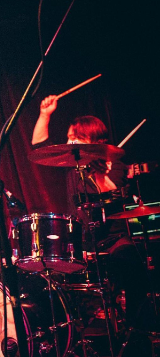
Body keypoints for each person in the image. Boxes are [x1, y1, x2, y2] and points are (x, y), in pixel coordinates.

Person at [32, 95, 148, 330]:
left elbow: (109, 190)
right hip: (81, 241)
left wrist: (100, 173)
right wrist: (45, 114)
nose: (69, 142)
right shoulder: (70, 166)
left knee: (133, 265)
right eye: (69, 137)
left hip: (113, 239)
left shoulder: (114, 163)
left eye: (76, 138)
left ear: (94, 141)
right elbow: (39, 147)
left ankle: (136, 330)